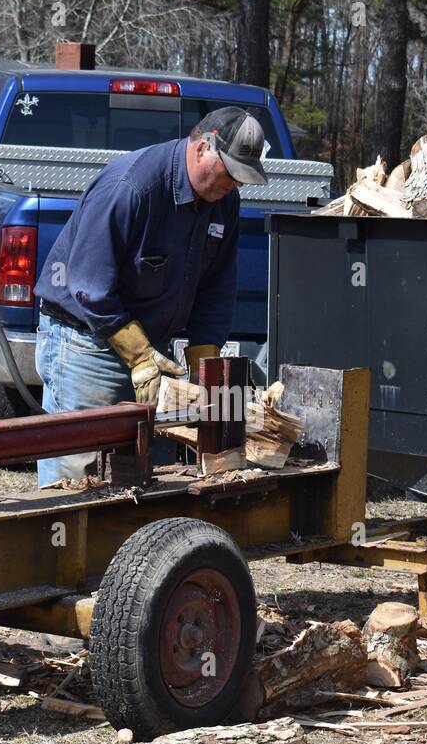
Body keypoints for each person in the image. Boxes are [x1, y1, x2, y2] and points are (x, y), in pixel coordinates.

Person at [32, 106, 268, 486]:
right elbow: (89, 285)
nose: (235, 185)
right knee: (77, 476)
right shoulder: (132, 187)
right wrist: (140, 357)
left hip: (154, 346)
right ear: (203, 147)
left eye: (243, 178)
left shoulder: (224, 202)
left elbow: (217, 286)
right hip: (87, 343)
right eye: (231, 172)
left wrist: (203, 366)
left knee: (145, 478)